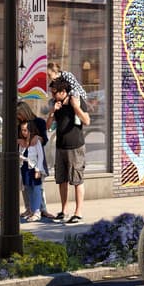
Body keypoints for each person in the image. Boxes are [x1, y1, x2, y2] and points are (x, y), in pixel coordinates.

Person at [48, 75, 90, 222]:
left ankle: (78, 212)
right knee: (62, 180)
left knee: (77, 180)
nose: (52, 95)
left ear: (63, 91)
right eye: (52, 93)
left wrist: (76, 107)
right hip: (60, 147)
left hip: (76, 147)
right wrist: (52, 112)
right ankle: (64, 210)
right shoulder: (56, 105)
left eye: (55, 92)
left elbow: (86, 121)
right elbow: (48, 128)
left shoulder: (76, 100)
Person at [18, 118, 47, 222]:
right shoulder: (22, 142)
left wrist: (38, 170)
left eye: (25, 130)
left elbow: (41, 156)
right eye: (22, 130)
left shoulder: (36, 141)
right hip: (25, 169)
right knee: (28, 189)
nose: (23, 132)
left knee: (36, 189)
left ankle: (37, 212)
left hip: (34, 168)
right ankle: (31, 210)